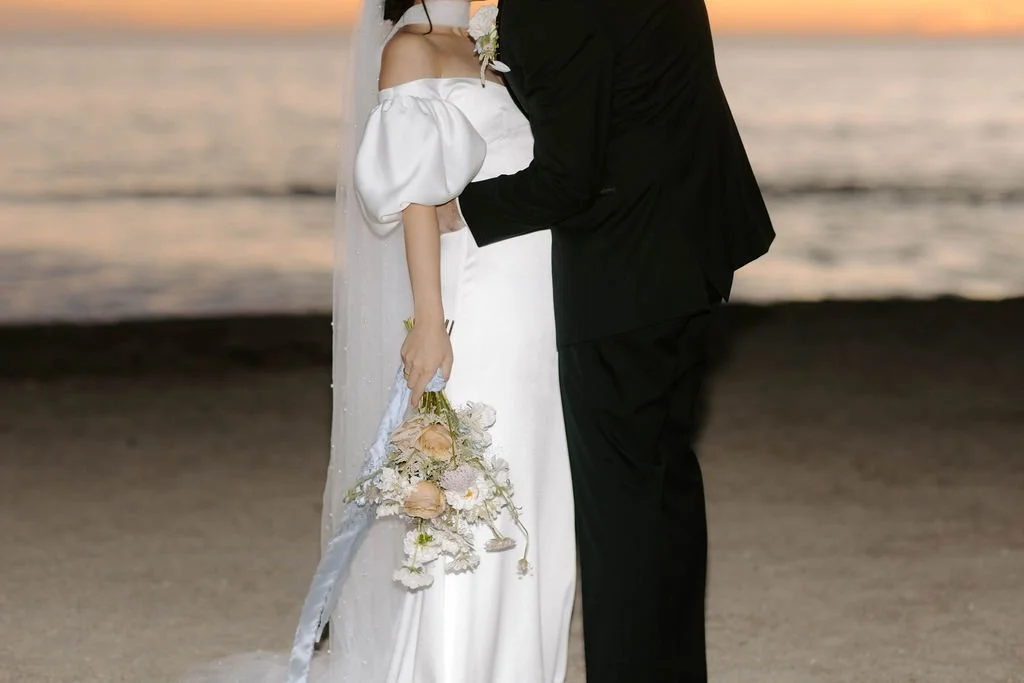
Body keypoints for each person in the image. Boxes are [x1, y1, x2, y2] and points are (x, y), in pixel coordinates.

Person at [437, 0, 775, 680]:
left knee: (621, 509)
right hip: (691, 243)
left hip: (627, 268)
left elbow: (568, 177)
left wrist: (455, 207)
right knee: (658, 485)